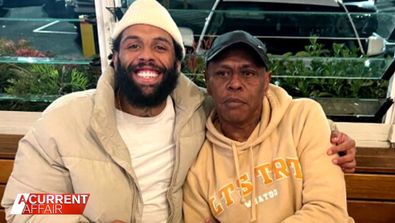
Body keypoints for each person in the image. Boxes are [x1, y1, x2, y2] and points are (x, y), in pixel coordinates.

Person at [1, 0, 354, 222]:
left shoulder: (198, 108)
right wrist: (83, 212)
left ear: (177, 64)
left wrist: (335, 137)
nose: (146, 56)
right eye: (133, 45)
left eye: (160, 47)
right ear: (114, 58)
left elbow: (270, 108)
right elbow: (21, 205)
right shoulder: (64, 120)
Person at [183, 30, 355, 223]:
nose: (235, 83)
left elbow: (328, 212)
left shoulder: (304, 118)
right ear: (208, 82)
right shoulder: (198, 162)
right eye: (222, 73)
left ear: (266, 81)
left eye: (248, 73)